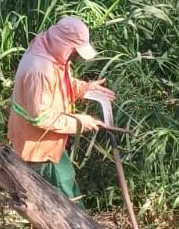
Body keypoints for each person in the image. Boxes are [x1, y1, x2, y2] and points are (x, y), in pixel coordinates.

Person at [7, 15, 112, 201]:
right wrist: (80, 122)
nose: (75, 56)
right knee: (63, 198)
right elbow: (40, 117)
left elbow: (58, 85)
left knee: (64, 187)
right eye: (74, 51)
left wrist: (85, 88)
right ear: (63, 43)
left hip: (49, 140)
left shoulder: (48, 52)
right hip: (38, 146)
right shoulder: (39, 69)